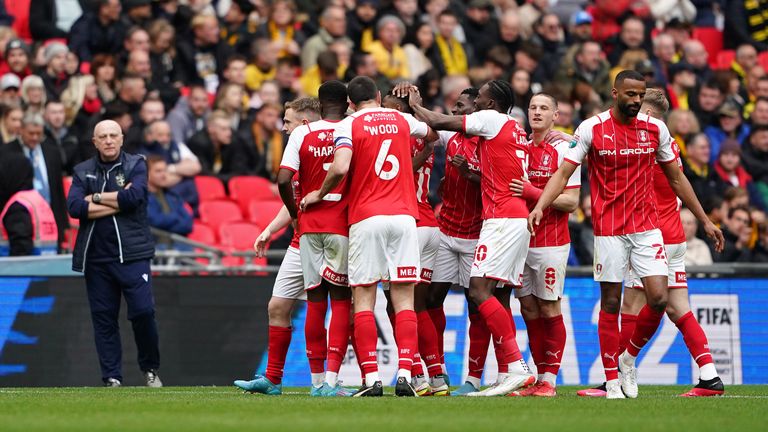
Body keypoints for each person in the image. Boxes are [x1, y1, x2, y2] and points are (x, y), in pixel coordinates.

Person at [529, 71, 724, 399]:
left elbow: (677, 179)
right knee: (612, 301)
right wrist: (540, 205)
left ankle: (627, 361)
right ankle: (613, 382)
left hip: (648, 229)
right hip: (609, 231)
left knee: (659, 299)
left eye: (640, 95)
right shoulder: (591, 128)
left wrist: (704, 220)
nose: (635, 100)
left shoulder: (656, 129)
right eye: (630, 94)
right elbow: (564, 172)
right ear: (616, 93)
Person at [583, 88, 725, 398]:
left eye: (638, 109)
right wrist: (704, 220)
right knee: (679, 309)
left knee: (631, 305)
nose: (631, 112)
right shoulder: (669, 146)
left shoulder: (646, 145)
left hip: (649, 235)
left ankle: (618, 374)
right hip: (674, 236)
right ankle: (710, 375)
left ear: (649, 116)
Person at [301, 76, 438, 397]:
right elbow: (433, 134)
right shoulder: (401, 119)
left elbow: (340, 167)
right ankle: (405, 373)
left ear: (350, 102)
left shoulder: (348, 126)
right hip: (405, 217)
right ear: (378, 95)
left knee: (364, 298)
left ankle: (373, 379)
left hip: (366, 218)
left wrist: (319, 194)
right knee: (403, 297)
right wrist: (416, 107)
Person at [406, 79, 536, 396]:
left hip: (501, 219)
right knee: (484, 292)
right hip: (509, 217)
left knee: (479, 292)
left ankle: (515, 367)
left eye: (483, 97)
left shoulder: (490, 120)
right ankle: (512, 368)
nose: (477, 101)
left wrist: (413, 105)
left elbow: (437, 121)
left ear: (492, 104)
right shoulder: (515, 127)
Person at [233, 97, 322, 396]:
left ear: (305, 124)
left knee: (331, 311)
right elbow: (293, 201)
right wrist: (270, 229)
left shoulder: (328, 152)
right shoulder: (297, 152)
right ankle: (272, 379)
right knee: (278, 306)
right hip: (300, 242)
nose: (283, 128)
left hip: (326, 240)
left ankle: (332, 381)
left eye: (288, 121)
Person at [66, 119, 161, 388]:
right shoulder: (82, 170)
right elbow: (74, 207)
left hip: (133, 254)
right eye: (102, 136)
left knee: (143, 312)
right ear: (94, 142)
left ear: (121, 138)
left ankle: (150, 368)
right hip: (97, 257)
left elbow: (136, 197)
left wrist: (95, 198)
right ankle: (112, 377)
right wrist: (117, 199)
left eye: (113, 135)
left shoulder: (136, 164)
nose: (108, 140)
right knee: (103, 318)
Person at [276, 82, 353, 397]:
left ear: (319, 104)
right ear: (346, 104)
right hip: (341, 225)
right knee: (341, 302)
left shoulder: (301, 134)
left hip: (309, 228)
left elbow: (283, 179)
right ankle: (333, 382)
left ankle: (317, 382)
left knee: (315, 303)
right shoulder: (353, 129)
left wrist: (295, 213)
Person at [510, 93, 580, 397]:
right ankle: (539, 376)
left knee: (549, 306)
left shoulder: (565, 148)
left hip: (551, 242)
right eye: (533, 108)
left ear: (556, 115)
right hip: (520, 241)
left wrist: (530, 190)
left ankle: (550, 379)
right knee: (528, 307)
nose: (537, 112)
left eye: (544, 108)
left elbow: (571, 202)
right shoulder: (519, 147)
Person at [381, 91, 446, 396]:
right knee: (417, 304)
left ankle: (418, 374)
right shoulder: (425, 136)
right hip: (429, 225)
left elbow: (399, 172)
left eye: (386, 108)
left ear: (396, 109)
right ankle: (437, 376)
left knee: (402, 307)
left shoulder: (397, 134)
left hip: (411, 225)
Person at [0, 111, 68, 249]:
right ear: (21, 130)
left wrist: (63, 226)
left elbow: (57, 191)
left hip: (47, 222)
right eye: (31, 133)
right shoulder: (6, 152)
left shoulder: (51, 152)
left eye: (39, 134)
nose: (35, 138)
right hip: (17, 222)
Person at [0, 151, 58, 256]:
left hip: (23, 270)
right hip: (48, 267)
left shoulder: (18, 206)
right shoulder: (38, 200)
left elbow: (21, 250)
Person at [145, 155, 193, 241]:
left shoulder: (173, 195)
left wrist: (168, 222)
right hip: (157, 248)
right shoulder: (142, 197)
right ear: (147, 174)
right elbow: (155, 221)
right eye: (158, 171)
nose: (164, 175)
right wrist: (176, 217)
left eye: (165, 170)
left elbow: (188, 224)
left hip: (180, 245)